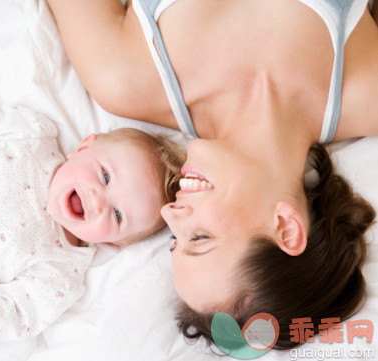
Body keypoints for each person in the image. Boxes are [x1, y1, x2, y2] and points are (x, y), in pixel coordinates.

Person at [47, 0, 378, 349]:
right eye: (200, 238)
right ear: (285, 226)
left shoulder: (123, 77)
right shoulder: (367, 94)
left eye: (176, 239)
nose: (169, 214)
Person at [0, 77, 185, 342]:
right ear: (84, 146)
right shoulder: (30, 137)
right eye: (105, 177)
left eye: (118, 215)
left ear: (115, 242)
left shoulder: (59, 273)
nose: (98, 201)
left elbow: (10, 318)